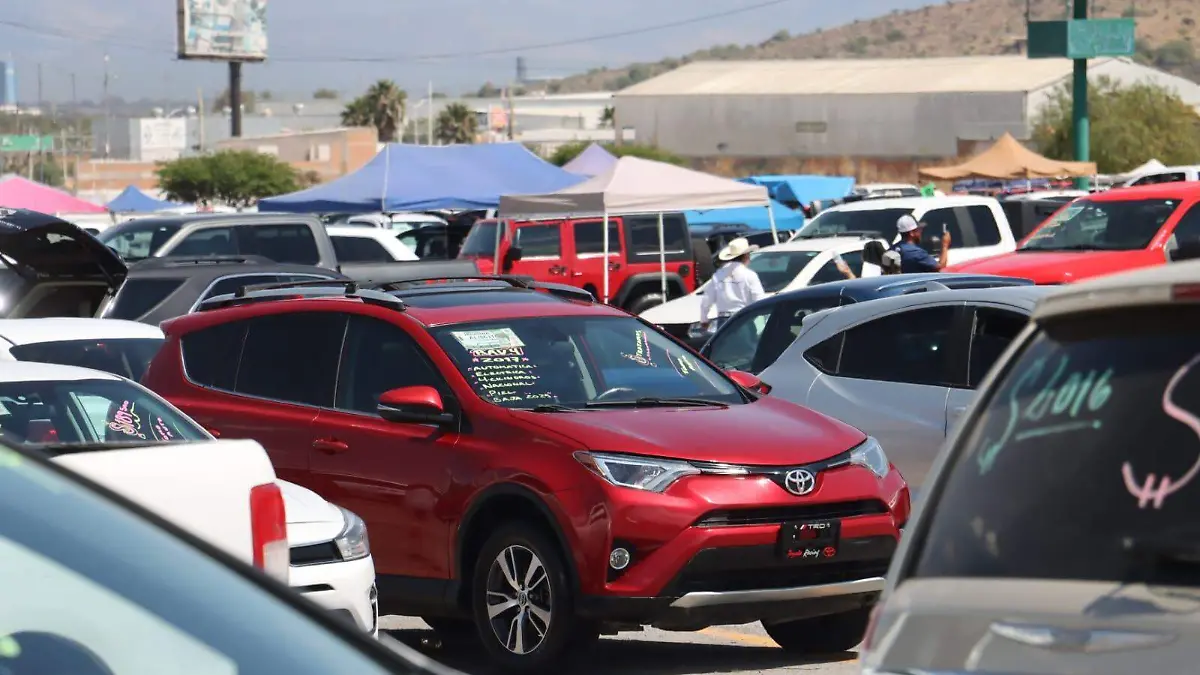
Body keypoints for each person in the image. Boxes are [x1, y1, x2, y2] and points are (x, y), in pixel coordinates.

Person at [699, 237, 766, 330]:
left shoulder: (718, 275)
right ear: (746, 256)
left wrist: (704, 319)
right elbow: (759, 300)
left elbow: (707, 300)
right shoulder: (749, 275)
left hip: (723, 322)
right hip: (743, 318)